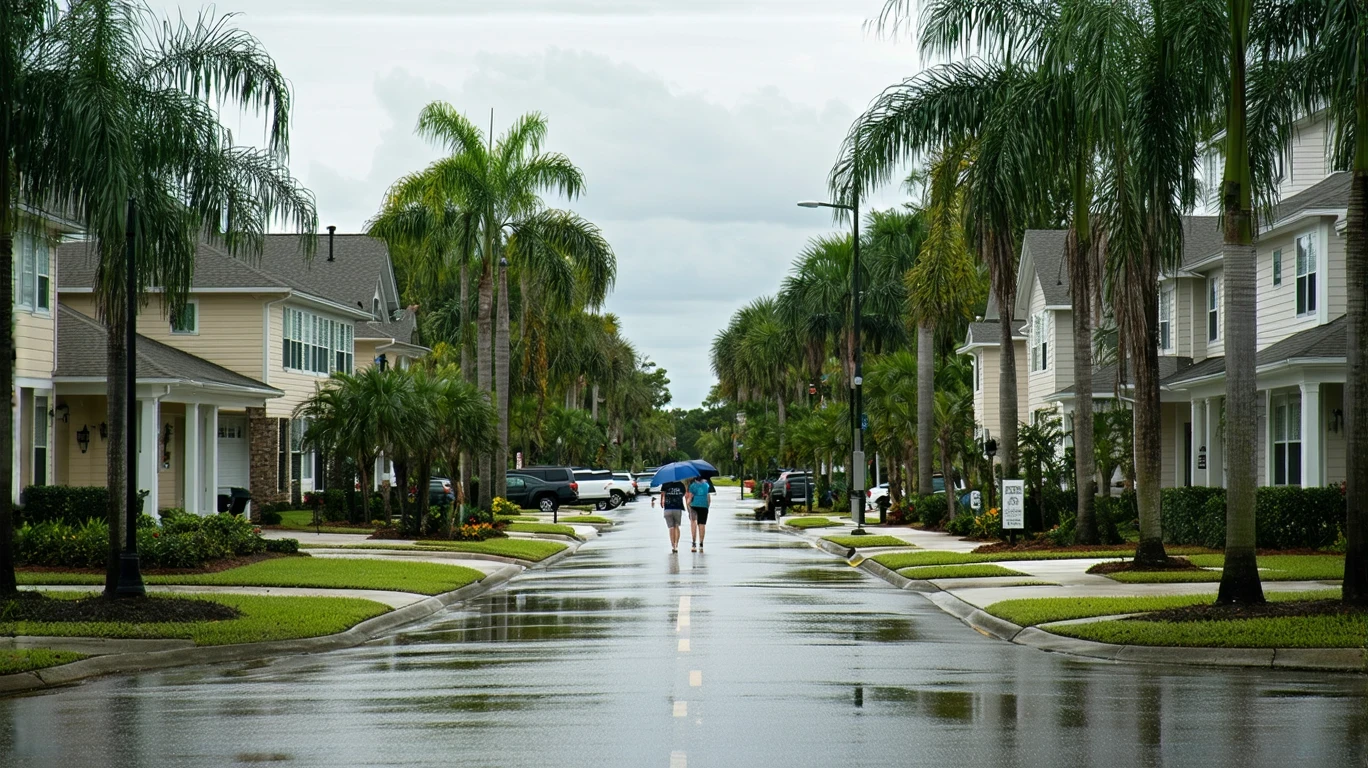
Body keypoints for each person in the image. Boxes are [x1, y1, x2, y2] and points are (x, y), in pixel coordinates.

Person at [686, 476, 712, 551]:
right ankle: (701, 544)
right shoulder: (707, 485)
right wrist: (707, 506)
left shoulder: (692, 486)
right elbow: (709, 498)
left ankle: (694, 543)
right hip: (704, 506)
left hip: (694, 505)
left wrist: (687, 504)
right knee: (702, 524)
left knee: (693, 522)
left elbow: (690, 498)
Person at [661, 479, 687, 552]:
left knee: (671, 528)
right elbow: (683, 494)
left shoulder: (665, 484)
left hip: (668, 508)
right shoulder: (681, 485)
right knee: (677, 526)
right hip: (678, 508)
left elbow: (662, 494)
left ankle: (672, 545)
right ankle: (676, 545)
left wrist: (662, 502)